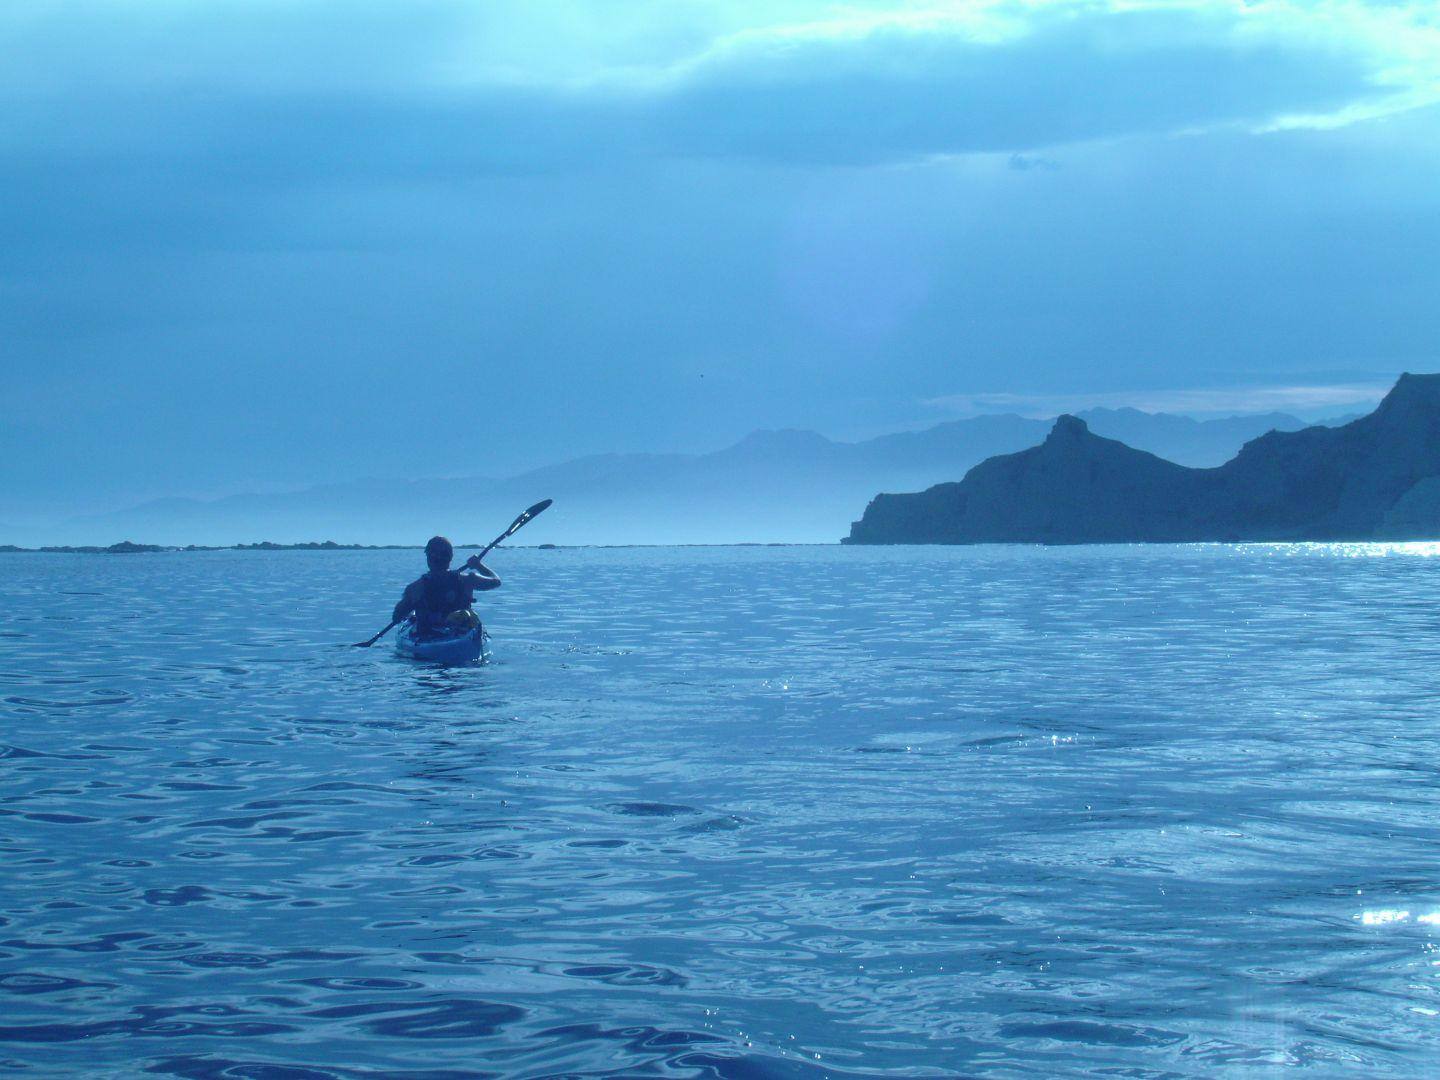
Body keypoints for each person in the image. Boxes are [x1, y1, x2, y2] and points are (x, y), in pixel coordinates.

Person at [393, 535, 501, 638]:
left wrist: (411, 608)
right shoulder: (468, 580)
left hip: (426, 640)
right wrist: (478, 565)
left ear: (428, 558)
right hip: (461, 637)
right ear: (450, 558)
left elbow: (397, 617)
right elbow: (496, 581)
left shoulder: (415, 588)